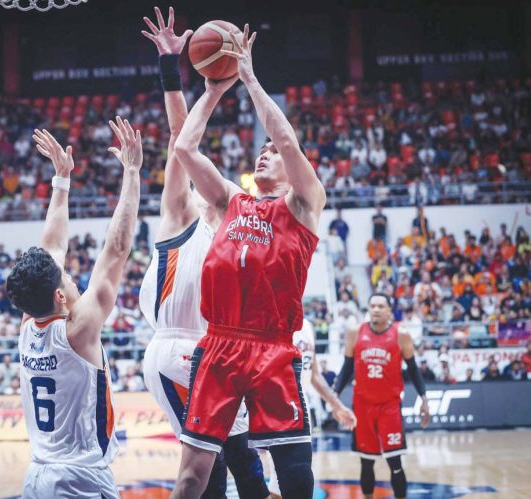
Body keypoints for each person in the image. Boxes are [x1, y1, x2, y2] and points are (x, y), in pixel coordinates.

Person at [171, 25, 326, 499]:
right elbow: (184, 149)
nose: (266, 152)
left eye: (273, 152)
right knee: (192, 477)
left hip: (274, 349)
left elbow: (286, 138)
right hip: (218, 345)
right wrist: (214, 91)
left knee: (295, 478)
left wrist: (250, 80)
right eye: (261, 150)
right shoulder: (231, 202)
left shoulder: (304, 204)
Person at [138, 8, 269, 498]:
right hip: (176, 351)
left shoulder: (241, 235)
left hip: (216, 352)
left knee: (243, 463)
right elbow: (181, 145)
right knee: (207, 472)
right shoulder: (182, 214)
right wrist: (177, 73)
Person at [5, 119, 142, 499]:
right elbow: (116, 251)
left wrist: (61, 182)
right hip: (78, 479)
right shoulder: (78, 331)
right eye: (64, 278)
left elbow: (51, 249)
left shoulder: (28, 324)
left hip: (37, 474)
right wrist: (132, 173)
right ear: (60, 298)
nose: (67, 274)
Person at [334, 294, 431, 499]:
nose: (376, 309)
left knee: (395, 462)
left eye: (381, 306)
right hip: (362, 406)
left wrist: (424, 398)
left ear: (389, 311)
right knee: (366, 461)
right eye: (372, 306)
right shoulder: (355, 333)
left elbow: (413, 369)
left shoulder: (401, 335)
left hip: (389, 406)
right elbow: (347, 368)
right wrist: (334, 396)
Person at [266, 319, 357, 497]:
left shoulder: (306, 325)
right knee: (290, 477)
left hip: (301, 405)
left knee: (285, 481)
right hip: (277, 406)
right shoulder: (271, 319)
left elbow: (313, 373)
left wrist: (336, 404)